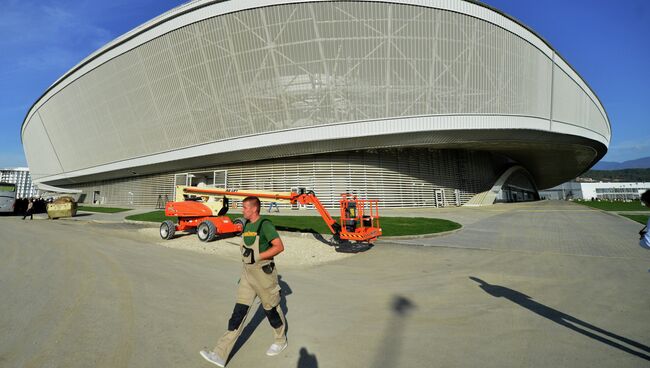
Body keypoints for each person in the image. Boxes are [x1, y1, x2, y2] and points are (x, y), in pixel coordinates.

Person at [200, 196, 287, 367]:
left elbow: (279, 246)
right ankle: (220, 354)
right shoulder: (247, 224)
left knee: (271, 310)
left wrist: (259, 256)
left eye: (245, 208)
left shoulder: (265, 225)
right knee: (238, 313)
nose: (243, 210)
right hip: (247, 275)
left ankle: (280, 340)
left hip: (263, 275)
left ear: (254, 209)